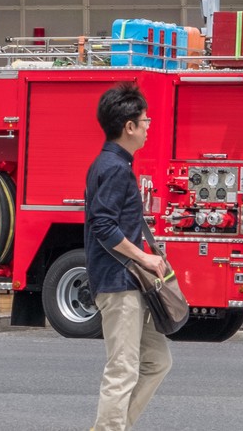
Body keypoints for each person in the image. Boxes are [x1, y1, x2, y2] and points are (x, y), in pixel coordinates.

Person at [85, 83, 172, 431]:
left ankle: (111, 427)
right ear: (129, 127)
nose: (149, 126)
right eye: (145, 120)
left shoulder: (113, 164)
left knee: (157, 361)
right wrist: (146, 258)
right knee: (122, 369)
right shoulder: (114, 168)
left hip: (127, 281)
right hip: (119, 282)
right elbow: (103, 226)